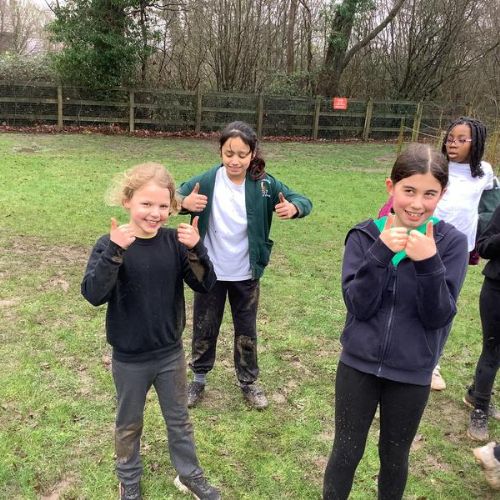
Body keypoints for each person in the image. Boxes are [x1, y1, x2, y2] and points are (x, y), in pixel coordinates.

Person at [323, 143, 468, 500]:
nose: (418, 203)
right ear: (391, 188)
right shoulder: (364, 236)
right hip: (358, 366)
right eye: (409, 191)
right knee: (345, 452)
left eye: (430, 193)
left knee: (394, 457)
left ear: (442, 194)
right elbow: (358, 304)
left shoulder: (451, 244)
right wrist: (381, 253)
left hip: (412, 372)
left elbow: (438, 316)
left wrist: (429, 263)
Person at [81, 163, 221, 500]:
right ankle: (128, 480)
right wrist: (115, 250)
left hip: (170, 354)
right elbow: (93, 294)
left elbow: (205, 285)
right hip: (129, 359)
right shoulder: (111, 243)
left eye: (163, 205)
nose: (155, 213)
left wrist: (196, 249)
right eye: (146, 204)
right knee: (129, 423)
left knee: (179, 422)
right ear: (128, 201)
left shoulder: (175, 242)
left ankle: (190, 475)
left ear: (172, 205)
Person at [176, 121, 312, 410]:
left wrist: (294, 208)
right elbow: (173, 197)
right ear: (220, 152)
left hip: (246, 272)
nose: (234, 160)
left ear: (252, 154)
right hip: (207, 271)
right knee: (204, 326)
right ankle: (198, 379)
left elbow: (303, 200)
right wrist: (184, 202)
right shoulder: (208, 180)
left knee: (246, 330)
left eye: (241, 154)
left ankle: (248, 382)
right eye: (228, 153)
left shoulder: (265, 185)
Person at [379, 117, 494, 391]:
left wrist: (484, 231)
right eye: (450, 137)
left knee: (445, 303)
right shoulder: (438, 167)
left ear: (476, 143)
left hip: (458, 249)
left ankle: (433, 363)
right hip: (424, 241)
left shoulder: (485, 173)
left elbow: (491, 201)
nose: (452, 143)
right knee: (408, 293)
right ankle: (393, 348)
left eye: (461, 139)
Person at [464, 204, 500, 441]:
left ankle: (474, 392)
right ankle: (480, 409)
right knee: (493, 351)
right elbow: (484, 247)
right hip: (497, 289)